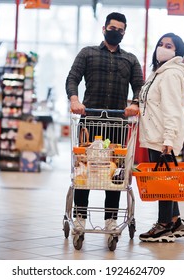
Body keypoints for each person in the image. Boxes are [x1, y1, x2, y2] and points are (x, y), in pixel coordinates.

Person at [65, 12, 144, 234]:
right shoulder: (87, 53)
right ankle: (80, 216)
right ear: (103, 28)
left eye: (120, 30)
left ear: (124, 33)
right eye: (112, 28)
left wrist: (135, 103)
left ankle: (111, 219)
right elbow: (72, 78)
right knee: (84, 171)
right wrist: (74, 99)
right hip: (89, 122)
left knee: (115, 173)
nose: (116, 32)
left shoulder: (130, 59)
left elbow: (140, 85)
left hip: (117, 124)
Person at [137, 33, 184, 242]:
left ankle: (164, 225)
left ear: (178, 53)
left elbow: (172, 110)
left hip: (163, 139)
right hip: (156, 135)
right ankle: (175, 221)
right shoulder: (159, 73)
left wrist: (168, 139)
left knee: (163, 182)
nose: (163, 48)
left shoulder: (170, 75)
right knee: (166, 181)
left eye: (169, 46)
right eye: (161, 44)